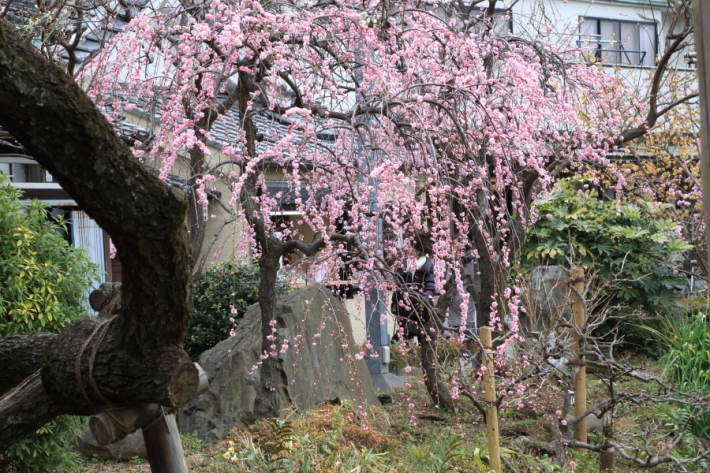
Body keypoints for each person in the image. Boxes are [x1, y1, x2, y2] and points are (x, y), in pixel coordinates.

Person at [391, 236, 436, 343]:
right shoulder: (402, 263)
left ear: (417, 251)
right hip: (404, 303)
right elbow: (397, 283)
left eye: (411, 247)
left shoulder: (428, 264)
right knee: (404, 332)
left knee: (423, 334)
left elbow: (430, 285)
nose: (408, 249)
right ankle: (403, 355)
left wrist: (424, 300)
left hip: (421, 305)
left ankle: (424, 356)